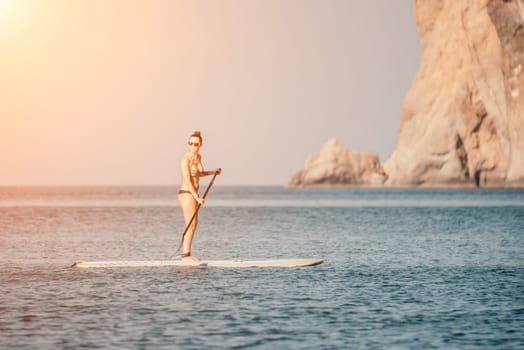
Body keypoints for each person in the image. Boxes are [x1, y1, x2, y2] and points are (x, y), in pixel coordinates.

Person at [178, 131, 221, 262]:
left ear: (200, 145)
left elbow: (199, 174)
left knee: (194, 224)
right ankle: (185, 256)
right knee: (190, 224)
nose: (193, 146)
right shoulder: (185, 160)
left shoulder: (198, 157)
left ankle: (187, 253)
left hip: (194, 194)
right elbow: (187, 179)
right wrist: (196, 197)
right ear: (188, 144)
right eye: (190, 143)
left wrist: (213, 172)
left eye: (196, 144)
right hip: (187, 194)